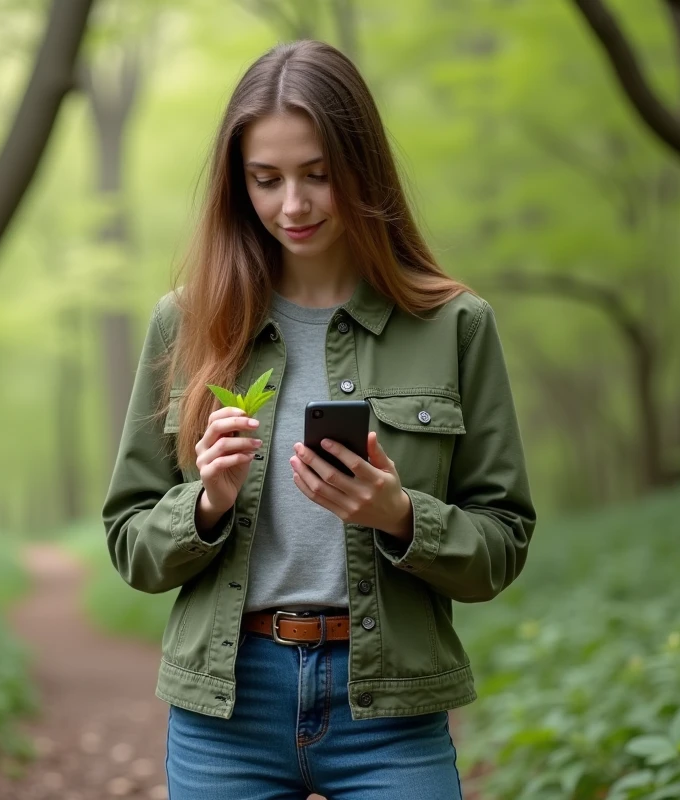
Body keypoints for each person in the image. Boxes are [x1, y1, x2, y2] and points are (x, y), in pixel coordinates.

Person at [101, 39, 535, 800]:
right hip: (228, 705)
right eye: (266, 180)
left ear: (363, 171)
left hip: (390, 706)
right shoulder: (187, 323)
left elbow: (501, 544)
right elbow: (130, 542)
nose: (292, 206)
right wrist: (206, 504)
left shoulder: (454, 325)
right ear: (239, 185)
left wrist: (401, 516)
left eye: (318, 176)